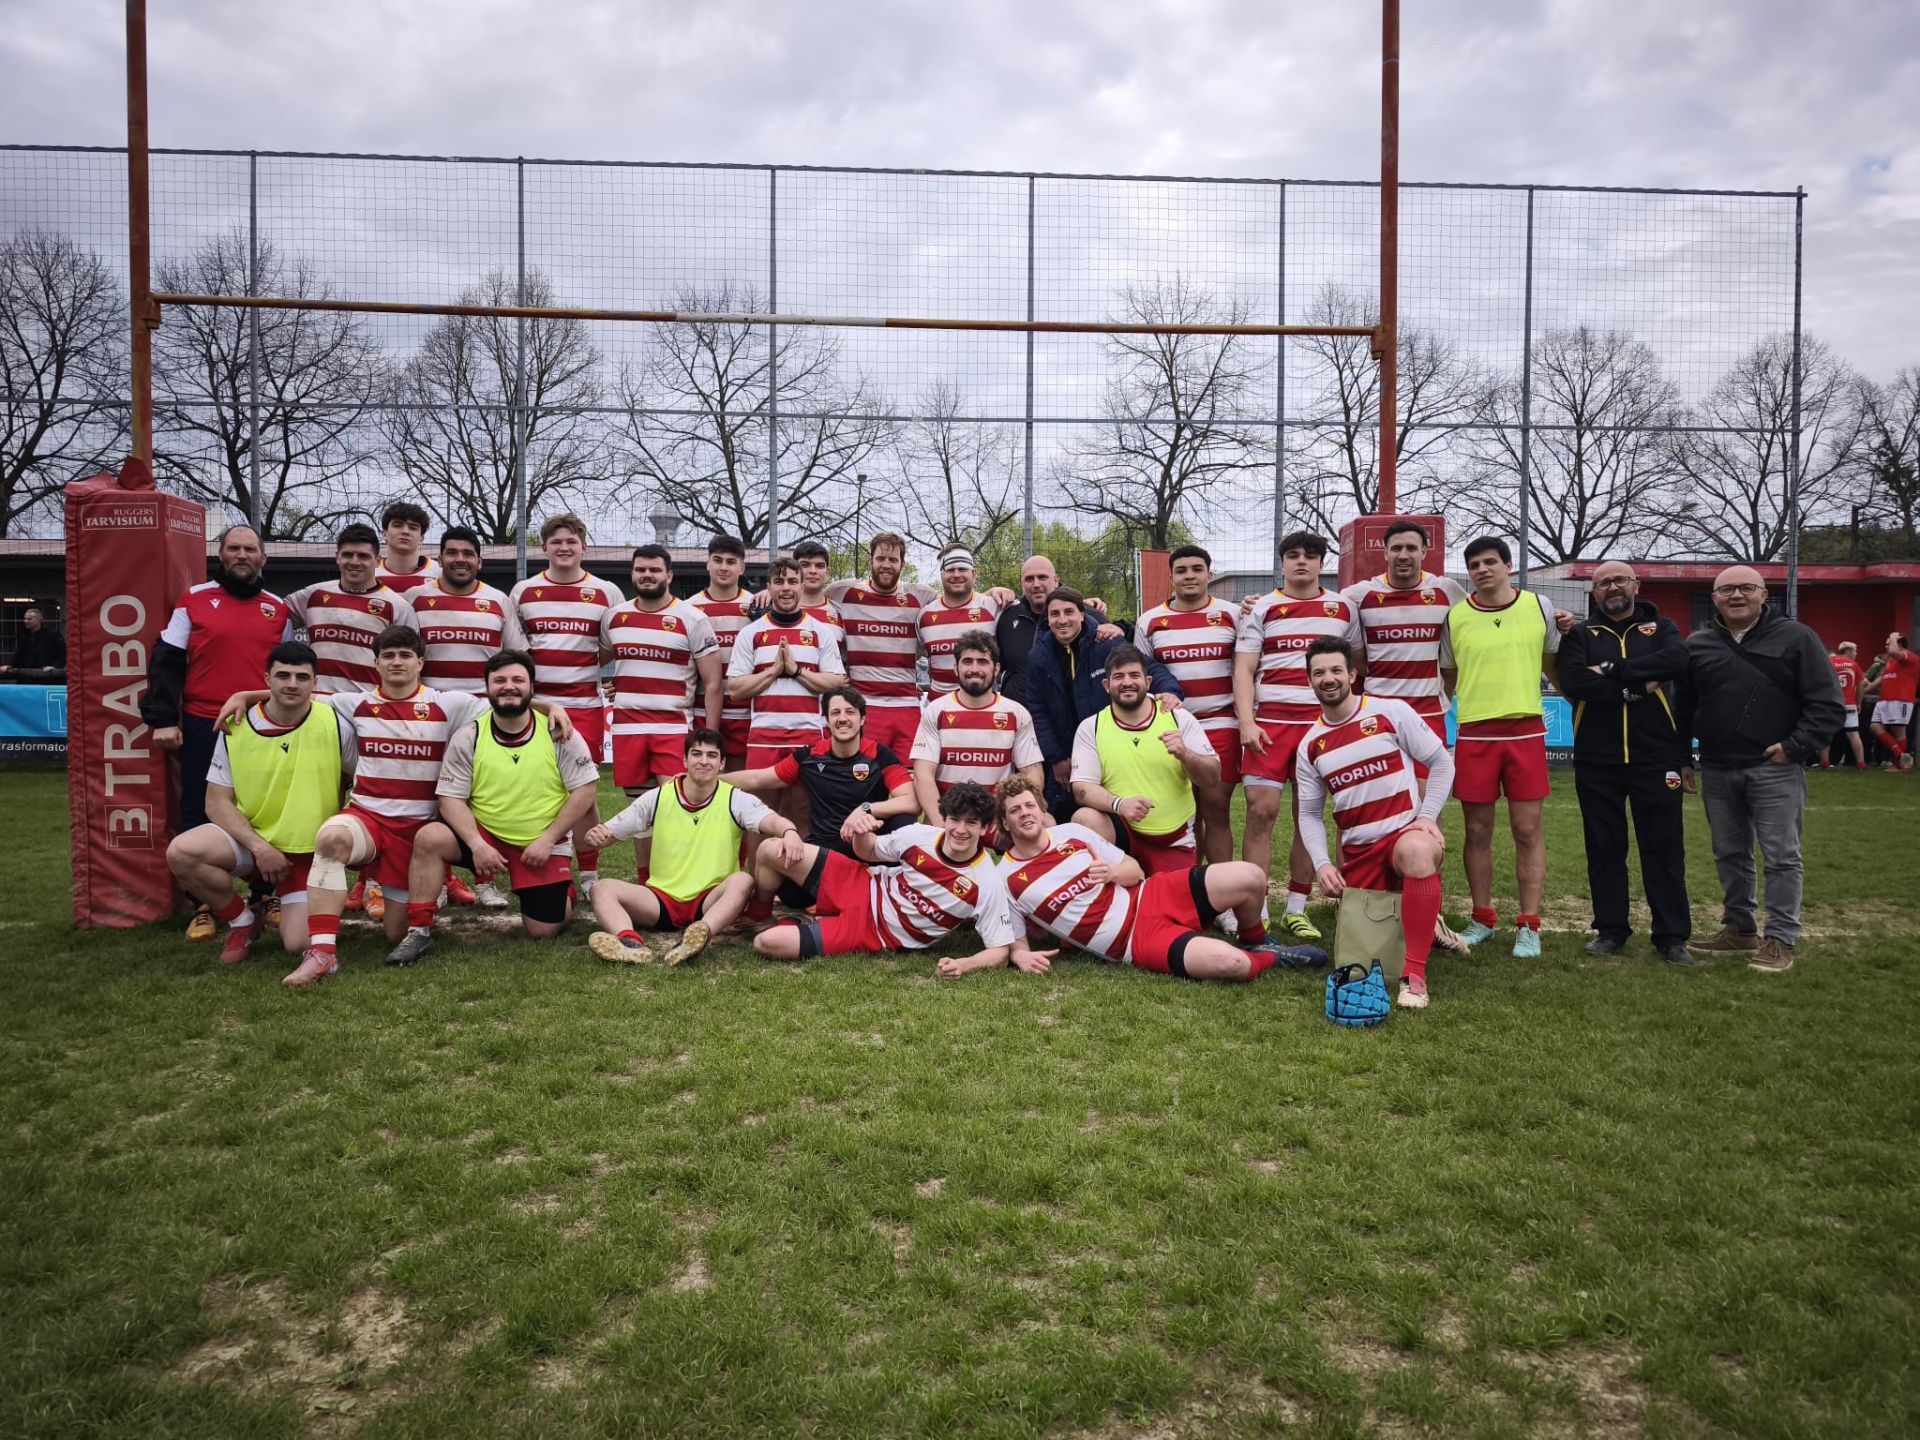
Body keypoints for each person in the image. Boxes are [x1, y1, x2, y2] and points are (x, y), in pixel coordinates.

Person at [257, 625, 573, 987]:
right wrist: (245, 697)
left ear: (420, 662)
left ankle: (414, 907)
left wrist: (552, 706)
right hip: (368, 818)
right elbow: (291, 695)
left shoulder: (448, 704)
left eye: (405, 655)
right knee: (330, 838)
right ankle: (323, 954)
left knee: (395, 933)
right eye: (388, 655)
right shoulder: (352, 703)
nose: (396, 662)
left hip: (416, 832)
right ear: (375, 662)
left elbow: (506, 699)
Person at [1677, 567, 1844, 972]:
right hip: (1717, 766)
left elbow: (1827, 705)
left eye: (1746, 588)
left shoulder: (1797, 638)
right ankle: (1739, 928)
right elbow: (1683, 708)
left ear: (1763, 594)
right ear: (1714, 597)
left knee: (1781, 856)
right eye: (1727, 589)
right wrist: (1682, 757)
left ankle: (1780, 939)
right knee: (1729, 853)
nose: (1737, 595)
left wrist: (1794, 747)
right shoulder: (1697, 644)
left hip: (1774, 768)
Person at [387, 650, 601, 964]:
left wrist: (547, 839)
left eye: (517, 680)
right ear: (487, 687)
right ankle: (418, 932)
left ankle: (564, 887)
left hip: (539, 841)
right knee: (430, 836)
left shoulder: (558, 731)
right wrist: (476, 844)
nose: (508, 686)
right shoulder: (470, 734)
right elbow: (449, 798)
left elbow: (585, 790)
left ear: (531, 686)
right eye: (499, 680)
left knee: (543, 930)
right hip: (485, 836)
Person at [992, 775, 1312, 981]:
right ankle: (1268, 958)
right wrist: (1020, 955)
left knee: (1251, 876)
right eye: (1015, 810)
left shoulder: (1072, 834)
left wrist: (1113, 872)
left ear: (1040, 808)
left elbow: (1135, 870)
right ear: (1005, 824)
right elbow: (1014, 938)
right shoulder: (1005, 878)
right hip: (1134, 941)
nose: (1025, 814)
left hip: (1150, 894)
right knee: (1233, 966)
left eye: (1029, 806)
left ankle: (1254, 939)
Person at [143, 523, 294, 940]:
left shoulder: (277, 609)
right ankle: (206, 904)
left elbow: (289, 670)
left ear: (263, 558)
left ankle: (265, 895)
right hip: (203, 721)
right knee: (198, 805)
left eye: (250, 549)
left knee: (265, 808)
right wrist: (163, 719)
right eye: (234, 548)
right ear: (221, 555)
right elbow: (166, 661)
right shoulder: (194, 600)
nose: (242, 555)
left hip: (261, 725)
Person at [165, 642, 353, 965]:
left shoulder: (336, 723)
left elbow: (360, 778)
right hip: (253, 842)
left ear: (315, 683)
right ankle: (243, 921)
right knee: (181, 853)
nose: (292, 683)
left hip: (307, 852)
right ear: (267, 679)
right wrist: (260, 847)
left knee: (297, 944)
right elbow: (216, 803)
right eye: (283, 675)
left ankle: (292, 903)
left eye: (301, 677)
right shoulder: (235, 727)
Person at [1292, 638, 1453, 1008]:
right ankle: (1429, 925)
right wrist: (1322, 864)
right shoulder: (1310, 745)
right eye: (1319, 673)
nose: (1328, 679)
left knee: (1416, 850)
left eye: (1335, 670)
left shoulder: (1389, 712)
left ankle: (1415, 978)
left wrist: (1426, 818)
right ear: (1310, 681)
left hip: (1403, 837)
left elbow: (1442, 762)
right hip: (1360, 853)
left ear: (1352, 673)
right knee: (1359, 965)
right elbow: (1309, 814)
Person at [1553, 561, 1694, 966]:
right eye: (1603, 583)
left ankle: (1671, 936)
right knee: (1604, 847)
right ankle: (1611, 929)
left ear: (1635, 585)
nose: (1612, 587)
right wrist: (1634, 690)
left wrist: (1615, 671)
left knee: (1664, 849)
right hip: (1597, 759)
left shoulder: (1662, 628)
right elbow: (1577, 681)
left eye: (1619, 580)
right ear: (1593, 592)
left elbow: (1677, 660)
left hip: (1657, 756)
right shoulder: (1581, 634)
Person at [750, 781, 1035, 974]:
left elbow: (998, 952)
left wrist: (964, 963)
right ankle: (759, 915)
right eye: (955, 820)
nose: (961, 830)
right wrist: (862, 832)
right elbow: (870, 851)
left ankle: (803, 920)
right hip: (861, 882)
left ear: (984, 827)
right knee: (769, 850)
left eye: (971, 823)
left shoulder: (987, 882)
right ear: (944, 819)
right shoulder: (918, 836)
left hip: (874, 932)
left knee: (766, 943)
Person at [1233, 531, 1364, 943]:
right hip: (1269, 725)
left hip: (1319, 728)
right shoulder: (1264, 607)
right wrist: (1246, 723)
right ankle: (1254, 909)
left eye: (1310, 555)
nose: (1301, 562)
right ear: (1283, 563)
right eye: (1293, 556)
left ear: (1322, 562)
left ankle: (1296, 907)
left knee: (1308, 816)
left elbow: (1355, 666)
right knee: (1260, 812)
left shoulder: (1343, 607)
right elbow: (1243, 669)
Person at [1437, 536, 1561, 958]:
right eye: (1474, 564)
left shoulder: (1539, 607)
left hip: (1526, 732)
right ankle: (1482, 918)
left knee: (1527, 830)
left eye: (1491, 561)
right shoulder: (1456, 617)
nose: (1482, 569)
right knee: (1476, 831)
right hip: (1474, 732)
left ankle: (1529, 924)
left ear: (1508, 565)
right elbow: (1448, 679)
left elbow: (1554, 665)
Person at [587, 728, 806, 965]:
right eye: (696, 754)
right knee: (601, 889)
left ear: (722, 763)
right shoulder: (658, 797)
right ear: (684, 760)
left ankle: (699, 936)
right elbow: (610, 833)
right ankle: (629, 944)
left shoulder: (734, 798)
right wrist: (597, 835)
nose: (704, 761)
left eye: (711, 755)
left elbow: (772, 820)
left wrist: (789, 831)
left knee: (743, 881)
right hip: (661, 899)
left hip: (709, 899)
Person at [412, 525, 527, 906]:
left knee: (482, 797)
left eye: (468, 553)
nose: (460, 559)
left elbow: (516, 657)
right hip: (429, 717)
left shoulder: (497, 601)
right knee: (430, 795)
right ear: (439, 557)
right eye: (452, 552)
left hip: (483, 717)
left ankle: (485, 881)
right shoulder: (416, 600)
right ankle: (441, 880)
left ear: (479, 560)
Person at [730, 688, 919, 918]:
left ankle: (893, 897)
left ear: (862, 719)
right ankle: (758, 917)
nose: (843, 718)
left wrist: (866, 809)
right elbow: (757, 778)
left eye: (850, 712)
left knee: (905, 823)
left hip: (868, 853)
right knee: (769, 853)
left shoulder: (880, 755)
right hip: (822, 858)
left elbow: (911, 802)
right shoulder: (810, 757)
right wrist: (709, 780)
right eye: (835, 712)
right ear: (826, 720)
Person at [509, 514, 621, 897]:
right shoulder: (524, 591)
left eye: (571, 541)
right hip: (536, 707)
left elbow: (611, 643)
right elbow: (516, 649)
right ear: (544, 548)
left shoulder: (606, 591)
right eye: (556, 542)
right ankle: (550, 864)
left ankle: (589, 874)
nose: (564, 548)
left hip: (583, 705)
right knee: (537, 786)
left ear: (584, 547)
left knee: (583, 790)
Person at [601, 543, 723, 888]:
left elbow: (713, 682)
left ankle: (685, 883)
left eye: (654, 570)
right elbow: (601, 657)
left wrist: (708, 738)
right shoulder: (615, 617)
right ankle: (647, 885)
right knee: (641, 813)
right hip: (627, 728)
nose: (647, 575)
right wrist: (616, 682)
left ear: (669, 575)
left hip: (672, 726)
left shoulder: (692, 619)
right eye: (641, 569)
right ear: (632, 574)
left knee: (679, 808)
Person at [1068, 643, 1227, 887]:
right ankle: (1104, 892)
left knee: (1180, 911)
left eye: (1134, 675)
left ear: (1149, 681)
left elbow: (1212, 778)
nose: (1127, 682)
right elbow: (1082, 788)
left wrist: (1185, 754)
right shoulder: (1092, 726)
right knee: (1085, 818)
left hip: (1171, 837)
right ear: (1106, 685)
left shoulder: (1177, 717)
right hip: (1124, 833)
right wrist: (1121, 804)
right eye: (1118, 677)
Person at [1028, 586, 1180, 821]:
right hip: (1064, 753)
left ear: (1082, 614)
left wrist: (1170, 691)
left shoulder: (1105, 643)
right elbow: (1038, 710)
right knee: (1059, 817)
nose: (1062, 620)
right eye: (1055, 614)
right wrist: (1057, 758)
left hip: (1108, 747)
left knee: (1114, 810)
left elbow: (1147, 668)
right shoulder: (1038, 657)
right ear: (1047, 620)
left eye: (1069, 612)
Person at [1135, 546, 1242, 864]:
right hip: (1171, 724)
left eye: (1197, 569)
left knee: (1216, 807)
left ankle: (1222, 894)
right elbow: (1144, 674)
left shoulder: (1231, 614)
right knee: (1187, 811)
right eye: (1181, 570)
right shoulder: (1150, 621)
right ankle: (1194, 891)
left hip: (1220, 721)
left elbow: (1247, 666)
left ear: (1209, 574)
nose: (1190, 575)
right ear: (1171, 577)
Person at [908, 629, 1044, 820]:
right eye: (967, 661)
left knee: (1048, 823)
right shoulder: (936, 710)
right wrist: (941, 824)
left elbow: (1032, 772)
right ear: (956, 668)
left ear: (996, 669)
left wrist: (1012, 818)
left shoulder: (1016, 712)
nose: (974, 669)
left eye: (982, 662)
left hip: (996, 817)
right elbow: (923, 774)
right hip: (949, 816)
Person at [825, 531, 937, 758]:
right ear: (871, 561)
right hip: (863, 704)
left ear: (902, 564)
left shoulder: (921, 597)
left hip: (905, 705)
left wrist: (994, 593)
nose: (886, 565)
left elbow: (957, 602)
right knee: (865, 776)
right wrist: (769, 591)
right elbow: (809, 597)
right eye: (881, 559)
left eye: (893, 560)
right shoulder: (844, 592)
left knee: (907, 776)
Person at [286, 523, 419, 696]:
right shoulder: (313, 595)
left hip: (367, 708)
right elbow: (271, 621)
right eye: (348, 555)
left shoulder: (398, 606)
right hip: (317, 704)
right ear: (337, 557)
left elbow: (411, 667)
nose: (354, 562)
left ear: (377, 561)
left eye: (363, 556)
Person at [993, 555, 1121, 708]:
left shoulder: (1086, 612)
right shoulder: (1007, 616)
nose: (1036, 584)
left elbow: (1119, 653)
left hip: (1068, 718)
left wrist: (1122, 628)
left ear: (1055, 580)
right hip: (1018, 715)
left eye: (1042, 577)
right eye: (1029, 579)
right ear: (1022, 584)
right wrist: (990, 593)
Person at [687, 533, 755, 767]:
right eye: (717, 560)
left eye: (730, 562)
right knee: (704, 785)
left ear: (742, 567)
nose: (723, 567)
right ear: (708, 563)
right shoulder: (689, 609)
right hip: (701, 710)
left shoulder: (756, 608)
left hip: (745, 713)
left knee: (743, 788)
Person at [918, 547, 1004, 698]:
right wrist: (906, 686)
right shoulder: (925, 615)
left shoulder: (995, 607)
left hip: (984, 713)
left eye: (962, 569)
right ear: (942, 574)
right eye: (950, 569)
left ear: (974, 573)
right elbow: (906, 658)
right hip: (938, 712)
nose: (956, 575)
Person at [1869, 632, 1917, 771]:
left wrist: (1894, 636)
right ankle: (1901, 756)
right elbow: (1882, 679)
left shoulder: (1909, 657)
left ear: (1899, 643)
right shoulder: (1891, 661)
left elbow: (1894, 651)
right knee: (1874, 727)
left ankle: (1897, 765)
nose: (1886, 645)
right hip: (1884, 700)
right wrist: (1862, 692)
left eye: (1888, 642)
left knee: (1899, 732)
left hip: (1900, 699)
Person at [375, 500, 440, 596]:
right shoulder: (370, 573)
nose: (405, 531)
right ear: (385, 534)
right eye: (398, 525)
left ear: (421, 539)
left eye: (413, 528)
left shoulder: (439, 573)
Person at [1825, 641, 1867, 770]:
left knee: (1825, 734)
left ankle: (1824, 763)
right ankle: (1861, 763)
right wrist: (1858, 702)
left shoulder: (1828, 663)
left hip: (1832, 704)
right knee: (1854, 734)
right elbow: (1861, 685)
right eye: (1854, 651)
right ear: (1848, 651)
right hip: (1849, 704)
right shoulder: (1853, 664)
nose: (1856, 654)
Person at [0, 606, 65, 674]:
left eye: (29, 619)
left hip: (47, 675)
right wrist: (10, 666)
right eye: (25, 619)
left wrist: (55, 667)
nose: (26, 621)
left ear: (38, 619)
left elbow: (62, 654)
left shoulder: (53, 634)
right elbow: (19, 655)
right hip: (26, 675)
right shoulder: (23, 635)